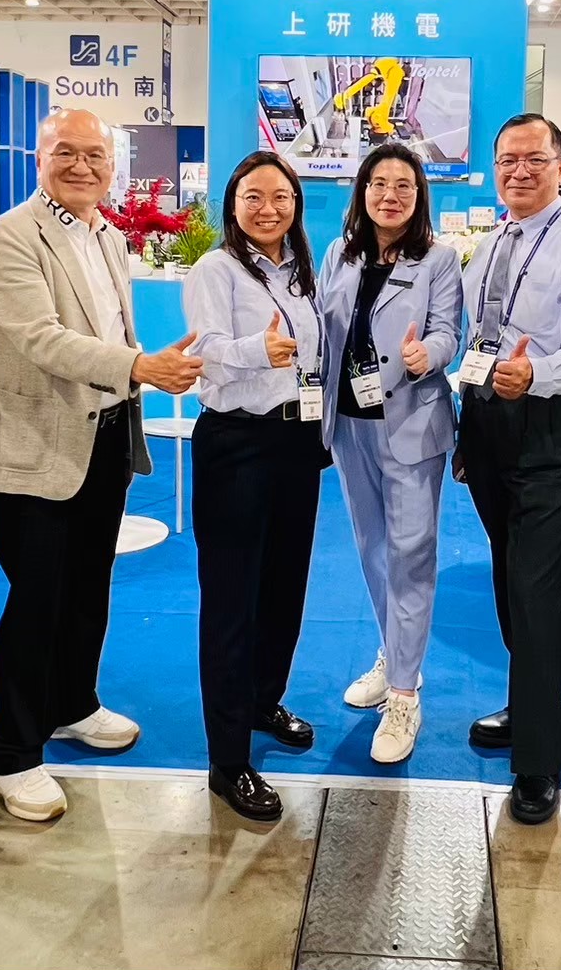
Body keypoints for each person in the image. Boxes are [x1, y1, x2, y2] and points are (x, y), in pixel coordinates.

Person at [0, 108, 202, 823]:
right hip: (36, 448)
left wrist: (130, 374)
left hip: (103, 438)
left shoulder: (106, 232)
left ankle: (72, 703)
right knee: (37, 599)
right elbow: (41, 339)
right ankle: (12, 752)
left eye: (95, 155)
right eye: (65, 153)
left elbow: (105, 327)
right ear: (39, 158)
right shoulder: (10, 236)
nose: (81, 166)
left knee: (87, 588)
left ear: (112, 165)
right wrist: (140, 366)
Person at [460, 113, 561, 825]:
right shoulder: (492, 243)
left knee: (535, 589)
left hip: (548, 426)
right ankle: (530, 706)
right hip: (489, 421)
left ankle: (539, 758)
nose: (519, 171)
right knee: (507, 577)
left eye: (534, 159)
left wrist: (535, 375)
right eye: (507, 160)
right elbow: (476, 336)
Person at [184, 151, 325, 823]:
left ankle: (263, 699)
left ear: (295, 204)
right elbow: (203, 348)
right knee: (231, 601)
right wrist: (254, 352)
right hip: (236, 443)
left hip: (296, 442)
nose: (268, 209)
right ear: (232, 204)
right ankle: (227, 760)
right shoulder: (216, 269)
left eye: (280, 197)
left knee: (283, 588)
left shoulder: (301, 272)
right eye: (253, 197)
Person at [319, 145, 462, 764]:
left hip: (410, 424)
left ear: (419, 195)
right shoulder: (339, 253)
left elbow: (449, 331)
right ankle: (395, 653)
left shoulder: (438, 258)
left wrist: (427, 354)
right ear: (363, 190)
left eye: (404, 185)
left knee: (411, 555)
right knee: (373, 549)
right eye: (379, 183)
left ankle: (404, 694)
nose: (390, 195)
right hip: (351, 426)